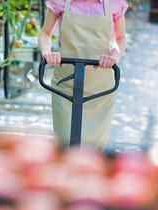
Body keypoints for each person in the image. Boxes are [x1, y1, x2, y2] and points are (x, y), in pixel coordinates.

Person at [38, 0, 128, 150]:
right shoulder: (60, 2)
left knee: (95, 150)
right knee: (65, 145)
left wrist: (114, 57)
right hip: (66, 85)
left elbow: (121, 38)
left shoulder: (115, 2)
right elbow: (45, 34)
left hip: (100, 88)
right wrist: (47, 54)